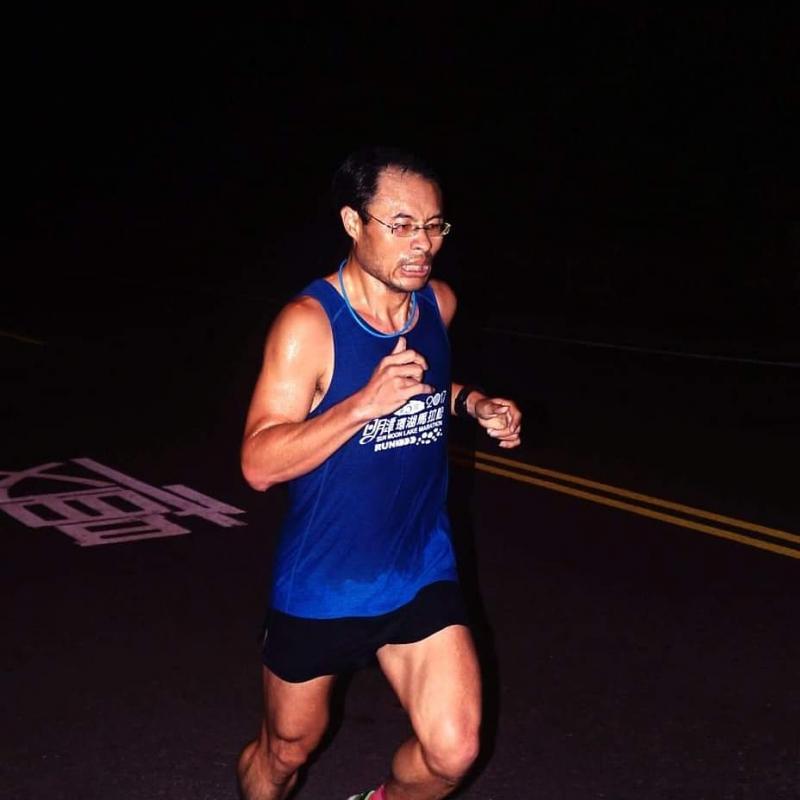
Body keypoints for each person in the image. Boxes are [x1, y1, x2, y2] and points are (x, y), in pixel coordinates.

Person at [237, 145, 522, 800]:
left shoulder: (436, 305)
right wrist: (362, 404)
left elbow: (429, 385)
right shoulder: (308, 326)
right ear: (352, 222)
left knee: (454, 750)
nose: (422, 244)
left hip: (419, 565)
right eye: (401, 225)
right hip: (324, 582)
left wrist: (472, 403)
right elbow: (257, 462)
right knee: (286, 751)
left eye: (434, 225)